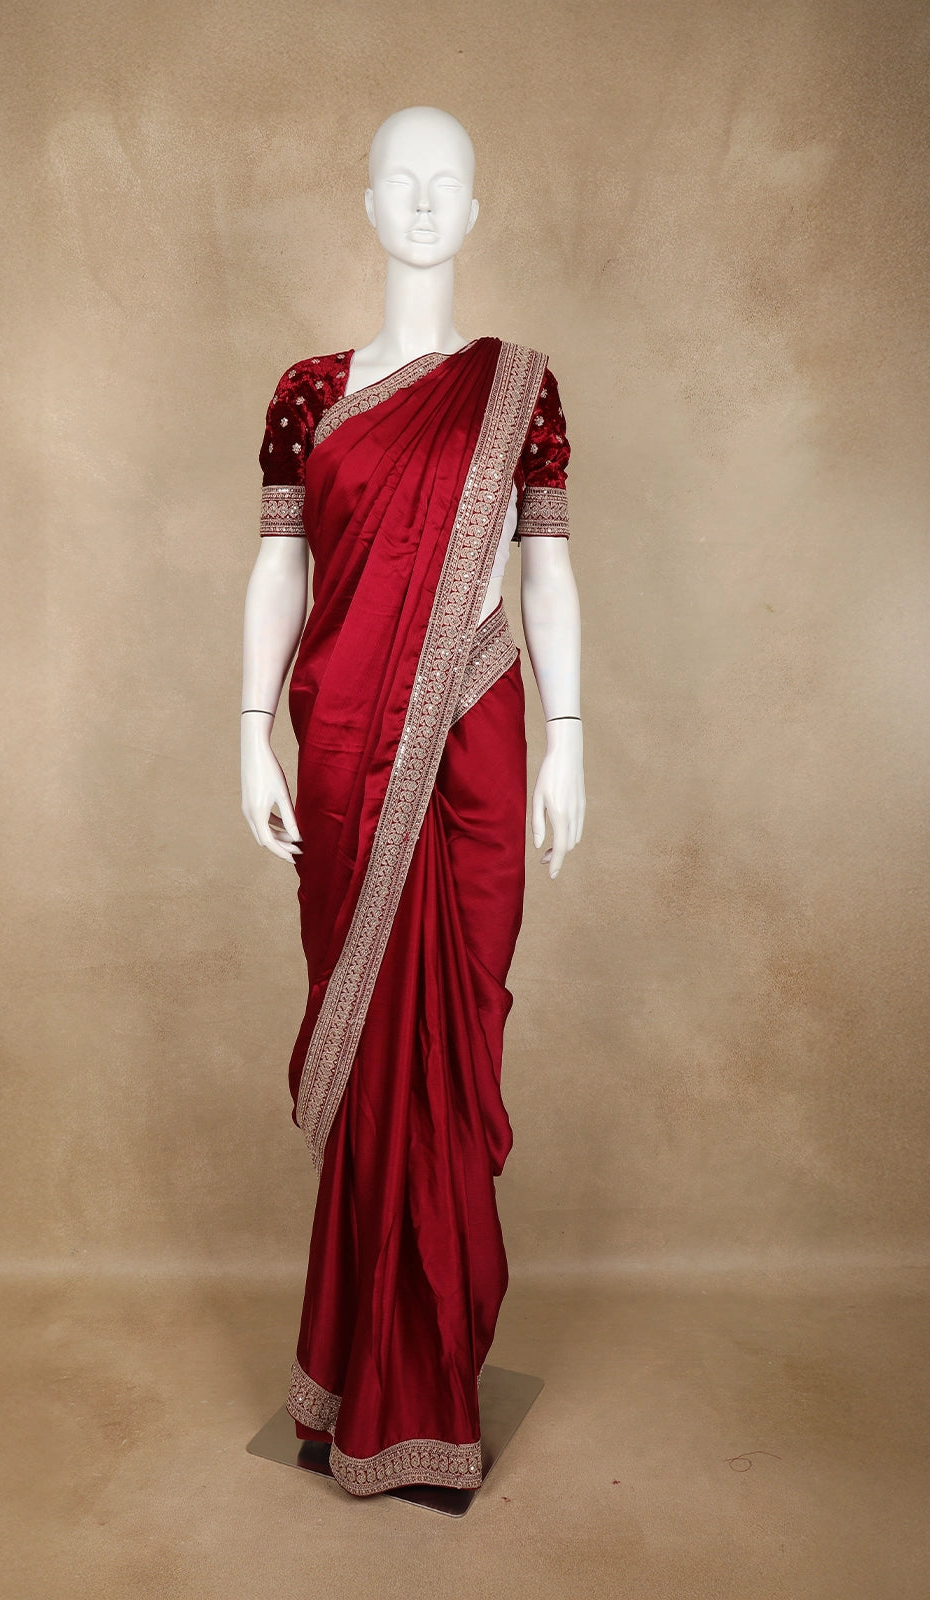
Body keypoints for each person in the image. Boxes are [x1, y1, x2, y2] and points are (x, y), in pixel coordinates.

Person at [239, 106, 585, 1498]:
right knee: (374, 1045)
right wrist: (244, 733)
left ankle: (428, 1374)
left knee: (450, 1047)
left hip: (474, 745)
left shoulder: (521, 390)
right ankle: (350, 1375)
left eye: (450, 183)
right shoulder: (310, 393)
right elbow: (280, 568)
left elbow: (545, 570)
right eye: (403, 179)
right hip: (343, 750)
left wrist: (570, 738)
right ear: (369, 203)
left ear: (477, 208)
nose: (427, 202)